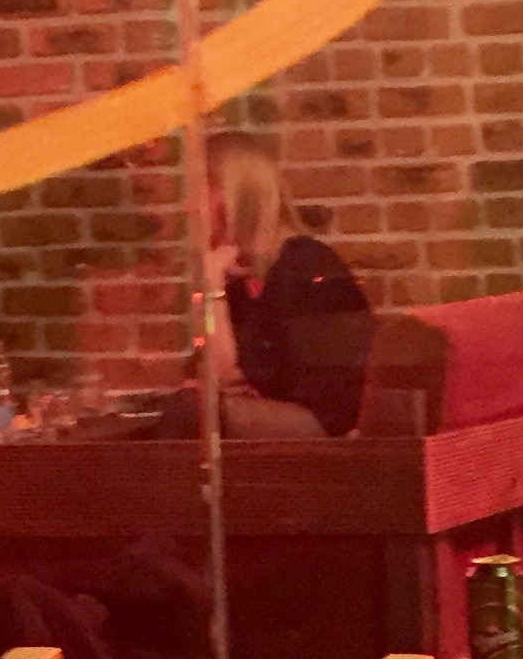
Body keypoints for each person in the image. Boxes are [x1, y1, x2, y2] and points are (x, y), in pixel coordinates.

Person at [160, 129, 373, 440]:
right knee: (179, 411)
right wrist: (213, 286)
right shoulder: (239, 277)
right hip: (272, 413)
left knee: (192, 412)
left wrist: (212, 289)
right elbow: (208, 372)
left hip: (327, 428)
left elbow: (331, 396)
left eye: (197, 191)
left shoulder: (306, 265)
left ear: (231, 195)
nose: (187, 206)